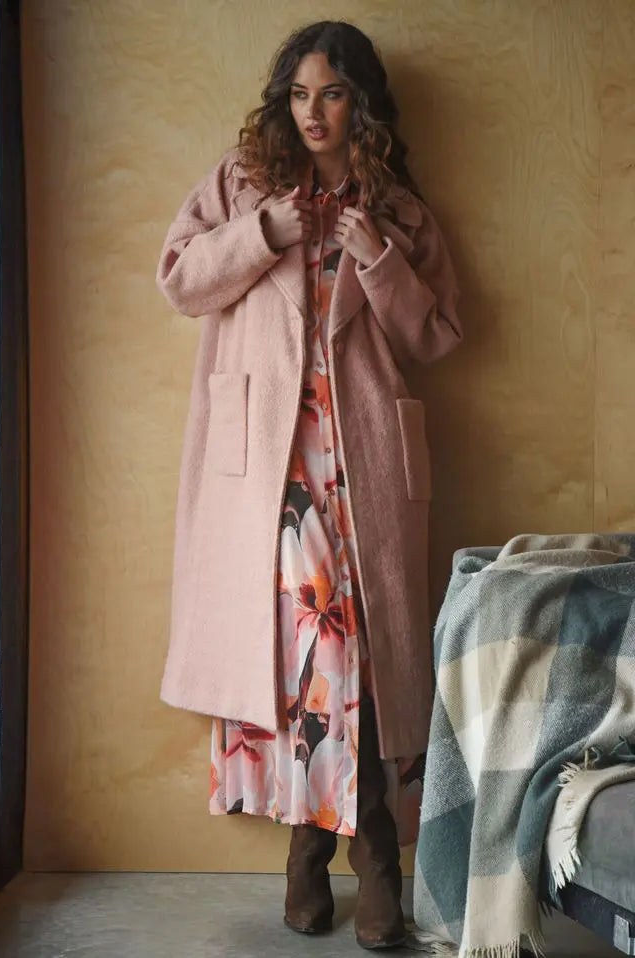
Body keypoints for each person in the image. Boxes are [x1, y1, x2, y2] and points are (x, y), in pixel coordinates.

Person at [156, 19, 463, 951]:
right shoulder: (242, 184)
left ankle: (331, 853)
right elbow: (177, 278)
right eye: (299, 93)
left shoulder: (398, 209)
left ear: (357, 102)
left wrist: (376, 257)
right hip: (269, 473)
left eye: (331, 93)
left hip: (360, 464)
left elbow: (439, 334)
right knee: (304, 662)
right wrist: (261, 233)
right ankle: (356, 853)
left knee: (356, 656)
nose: (313, 112)